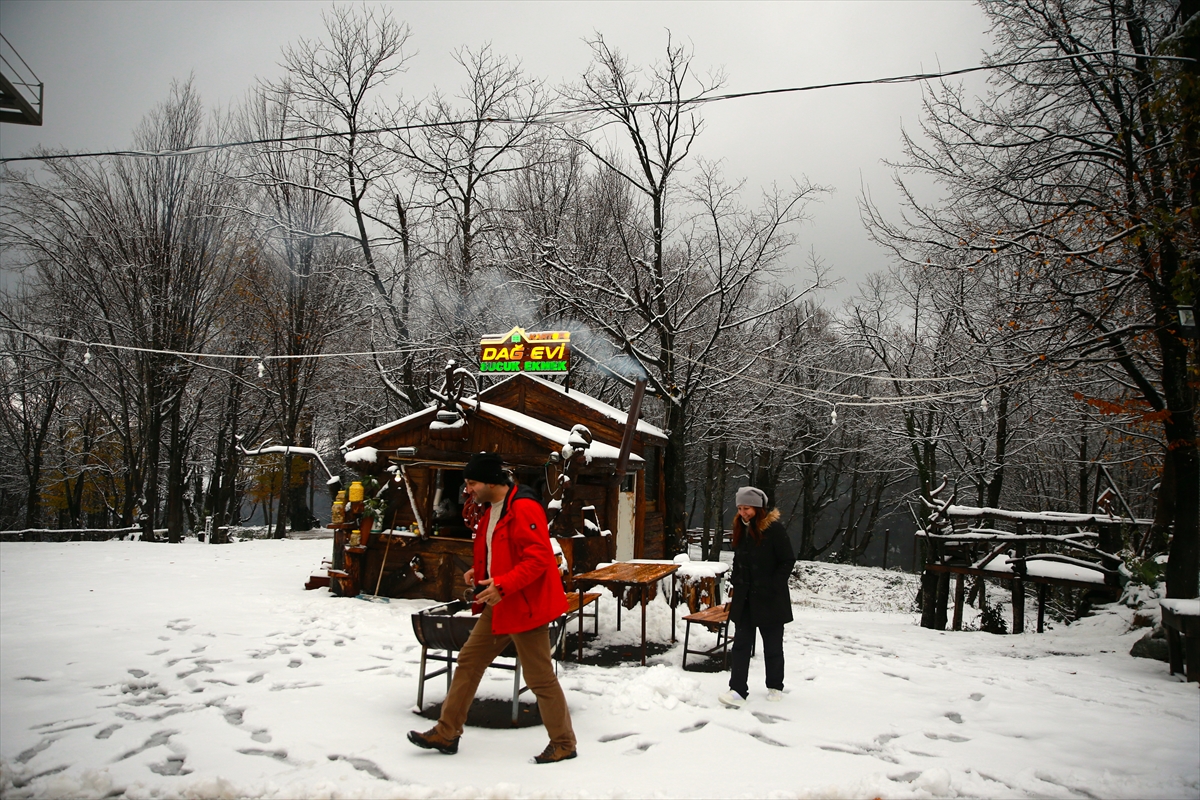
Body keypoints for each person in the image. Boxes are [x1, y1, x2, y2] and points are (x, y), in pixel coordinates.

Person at [407, 451, 577, 764]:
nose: (468, 489)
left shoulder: (523, 507)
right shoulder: (493, 509)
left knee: (539, 679)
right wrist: (481, 573)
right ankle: (447, 732)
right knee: (469, 662)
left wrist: (502, 585)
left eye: (472, 482)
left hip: (525, 607)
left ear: (490, 482)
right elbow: (498, 549)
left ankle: (564, 743)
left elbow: (539, 559)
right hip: (500, 605)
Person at [719, 486, 795, 708]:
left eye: (747, 508)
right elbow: (739, 559)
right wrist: (736, 582)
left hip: (770, 598)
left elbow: (787, 560)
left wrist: (774, 585)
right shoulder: (740, 529)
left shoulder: (774, 530)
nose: (743, 512)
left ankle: (775, 685)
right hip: (745, 599)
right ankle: (737, 690)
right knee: (741, 645)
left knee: (772, 646)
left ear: (759, 508)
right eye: (740, 508)